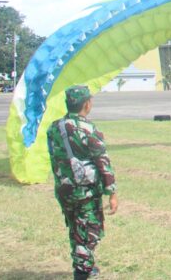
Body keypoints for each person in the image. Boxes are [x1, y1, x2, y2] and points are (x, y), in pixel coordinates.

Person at [47, 86, 118, 280]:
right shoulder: (87, 129)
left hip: (64, 188)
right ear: (87, 104)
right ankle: (82, 272)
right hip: (85, 190)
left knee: (76, 226)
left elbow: (54, 156)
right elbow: (102, 160)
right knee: (89, 230)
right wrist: (112, 191)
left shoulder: (54, 127)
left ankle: (85, 265)